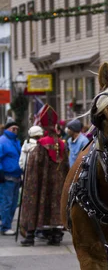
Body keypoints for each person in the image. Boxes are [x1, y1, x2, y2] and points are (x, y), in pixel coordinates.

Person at [19, 105, 69, 246]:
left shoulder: (41, 144)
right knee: (56, 205)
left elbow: (34, 166)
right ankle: (55, 236)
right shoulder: (61, 144)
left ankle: (30, 236)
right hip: (58, 184)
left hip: (42, 183)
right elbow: (66, 165)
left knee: (36, 202)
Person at [0, 122, 22, 236]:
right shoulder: (3, 141)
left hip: (16, 176)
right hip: (7, 176)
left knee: (13, 203)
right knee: (7, 202)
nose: (15, 130)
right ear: (8, 128)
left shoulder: (15, 141)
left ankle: (6, 224)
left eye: (17, 128)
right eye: (13, 128)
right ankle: (5, 226)